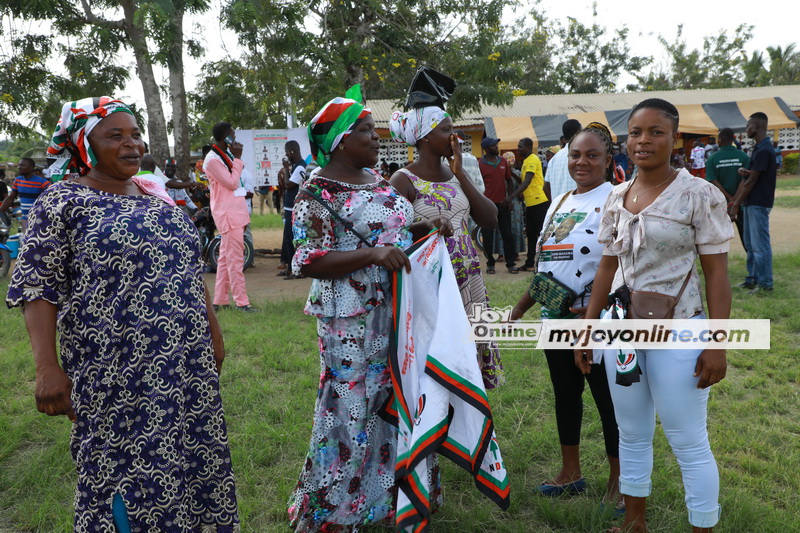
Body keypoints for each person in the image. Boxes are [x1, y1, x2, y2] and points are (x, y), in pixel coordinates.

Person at [6, 96, 238, 530]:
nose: (131, 144)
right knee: (122, 468)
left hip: (184, 364)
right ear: (84, 144)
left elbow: (186, 269)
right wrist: (46, 369)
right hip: (115, 371)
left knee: (187, 455)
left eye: (134, 134)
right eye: (115, 135)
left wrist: (213, 332)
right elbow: (37, 287)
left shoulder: (156, 197)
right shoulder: (62, 202)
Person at [287, 88, 451, 532]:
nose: (376, 137)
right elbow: (305, 260)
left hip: (395, 309)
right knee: (350, 406)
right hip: (348, 318)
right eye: (365, 131)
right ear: (340, 140)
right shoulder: (316, 192)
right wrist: (373, 256)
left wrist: (421, 230)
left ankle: (386, 498)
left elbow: (389, 233)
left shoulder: (376, 180)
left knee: (390, 397)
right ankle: (333, 509)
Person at [577, 98, 732, 533]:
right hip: (623, 332)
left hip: (679, 330)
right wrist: (588, 331)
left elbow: (717, 276)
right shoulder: (615, 195)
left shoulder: (699, 194)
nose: (644, 141)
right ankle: (633, 523)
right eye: (637, 132)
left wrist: (717, 344)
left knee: (687, 440)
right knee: (632, 432)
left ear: (674, 138)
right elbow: (606, 268)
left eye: (656, 132)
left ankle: (703, 525)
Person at [511, 122, 620, 507]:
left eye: (592, 155)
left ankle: (619, 483)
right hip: (554, 318)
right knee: (566, 395)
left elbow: (619, 265)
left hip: (598, 322)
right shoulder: (559, 202)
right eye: (576, 154)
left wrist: (591, 319)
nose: (582, 162)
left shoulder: (617, 199)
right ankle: (570, 472)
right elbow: (546, 266)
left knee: (610, 402)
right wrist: (520, 309)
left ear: (608, 160)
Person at [389, 106, 505, 389]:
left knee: (470, 359)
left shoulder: (456, 173)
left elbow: (490, 219)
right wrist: (424, 224)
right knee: (440, 359)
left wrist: (460, 173)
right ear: (424, 136)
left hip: (469, 277)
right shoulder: (403, 180)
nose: (453, 136)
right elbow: (391, 235)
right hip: (434, 282)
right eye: (445, 130)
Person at [204, 121, 255, 312]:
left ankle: (220, 300)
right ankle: (242, 303)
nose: (235, 138)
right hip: (228, 214)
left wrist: (236, 158)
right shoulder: (213, 160)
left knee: (225, 259)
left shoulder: (224, 156)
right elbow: (232, 183)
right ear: (225, 137)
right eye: (232, 134)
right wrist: (239, 159)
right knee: (235, 260)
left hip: (235, 212)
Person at [728, 112, 777, 294]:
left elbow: (752, 182)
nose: (746, 129)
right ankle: (752, 278)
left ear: (756, 125)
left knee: (760, 245)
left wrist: (734, 204)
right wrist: (746, 172)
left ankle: (765, 284)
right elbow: (754, 175)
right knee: (750, 243)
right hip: (751, 202)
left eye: (748, 126)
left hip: (758, 202)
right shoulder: (758, 148)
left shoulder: (764, 150)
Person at [478, 137, 517, 274]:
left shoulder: (503, 161)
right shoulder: (480, 164)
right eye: (494, 145)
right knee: (487, 237)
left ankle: (511, 264)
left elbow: (509, 181)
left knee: (507, 235)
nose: (497, 147)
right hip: (487, 207)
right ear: (486, 148)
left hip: (503, 205)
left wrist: (510, 199)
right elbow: (477, 185)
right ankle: (490, 264)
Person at [706, 128, 749, 251]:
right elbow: (744, 180)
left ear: (719, 140)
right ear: (734, 139)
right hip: (741, 205)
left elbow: (712, 180)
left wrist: (729, 198)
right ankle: (753, 266)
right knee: (747, 238)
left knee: (719, 238)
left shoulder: (713, 158)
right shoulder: (743, 157)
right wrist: (735, 199)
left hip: (720, 205)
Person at [511, 137, 550, 271]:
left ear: (528, 147)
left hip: (539, 202)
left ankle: (546, 265)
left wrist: (510, 197)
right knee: (532, 235)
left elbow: (527, 182)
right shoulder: (526, 161)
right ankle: (529, 264)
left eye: (520, 146)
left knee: (542, 235)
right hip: (531, 204)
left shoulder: (533, 159)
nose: (518, 149)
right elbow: (523, 180)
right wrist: (510, 172)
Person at [0, 157, 50, 239]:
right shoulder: (18, 181)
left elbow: (53, 196)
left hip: (39, 219)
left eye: (23, 165)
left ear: (31, 168)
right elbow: (10, 198)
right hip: (25, 219)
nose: (19, 167)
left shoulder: (42, 182)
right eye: (19, 165)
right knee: (28, 242)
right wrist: (1, 210)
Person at [278, 140, 306, 279]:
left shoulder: (300, 167)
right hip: (290, 207)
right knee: (288, 238)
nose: (286, 155)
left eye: (287, 152)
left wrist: (286, 169)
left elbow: (289, 185)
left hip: (294, 208)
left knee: (292, 239)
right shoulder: (296, 166)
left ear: (292, 152)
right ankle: (290, 267)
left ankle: (294, 270)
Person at [545, 119, 582, 200]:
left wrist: (553, 204)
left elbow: (546, 187)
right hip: (577, 208)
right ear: (579, 133)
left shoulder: (554, 159)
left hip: (558, 209)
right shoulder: (582, 156)